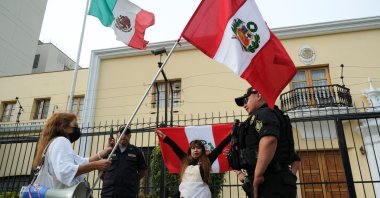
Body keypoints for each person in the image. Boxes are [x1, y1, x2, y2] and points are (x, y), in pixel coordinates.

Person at [234, 87, 298, 198]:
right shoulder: (276, 115)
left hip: (269, 181)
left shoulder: (264, 113)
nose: (244, 105)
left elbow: (269, 140)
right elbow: (295, 158)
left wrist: (258, 176)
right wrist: (289, 177)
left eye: (246, 100)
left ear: (259, 95)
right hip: (279, 181)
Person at [32, 113, 112, 189]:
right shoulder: (61, 141)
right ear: (64, 127)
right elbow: (65, 172)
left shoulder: (54, 143)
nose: (77, 128)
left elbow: (83, 161)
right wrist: (96, 165)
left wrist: (104, 152)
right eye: (75, 125)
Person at [156, 130, 232, 198]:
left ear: (202, 150)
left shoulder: (207, 160)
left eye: (198, 148)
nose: (195, 150)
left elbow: (220, 147)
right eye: (193, 148)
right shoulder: (185, 159)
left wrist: (231, 134)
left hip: (201, 194)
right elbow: (175, 147)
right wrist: (165, 137)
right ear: (190, 150)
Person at [101, 127, 147, 198]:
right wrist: (109, 179)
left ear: (130, 136)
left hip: (128, 193)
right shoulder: (109, 150)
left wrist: (132, 179)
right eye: (122, 133)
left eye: (126, 134)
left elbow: (143, 171)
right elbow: (100, 169)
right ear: (117, 135)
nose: (124, 136)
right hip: (109, 193)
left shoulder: (136, 151)